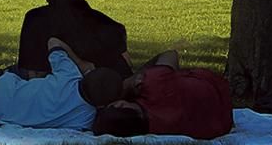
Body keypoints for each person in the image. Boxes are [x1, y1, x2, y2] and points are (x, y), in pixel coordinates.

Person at [0, 37, 123, 130]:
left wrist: (80, 64)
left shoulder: (69, 74)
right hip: (5, 113)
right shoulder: (85, 119)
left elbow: (53, 42)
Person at [16, 0, 131, 78]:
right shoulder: (109, 25)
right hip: (100, 90)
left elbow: (32, 73)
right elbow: (126, 69)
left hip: (53, 90)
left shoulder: (35, 19)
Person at [93, 50, 234, 139]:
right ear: (120, 104)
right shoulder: (153, 86)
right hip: (214, 88)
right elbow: (170, 54)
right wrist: (133, 81)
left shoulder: (156, 128)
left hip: (221, 121)